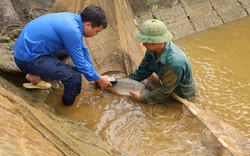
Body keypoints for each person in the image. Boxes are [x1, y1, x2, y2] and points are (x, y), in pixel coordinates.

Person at [13, 5, 112, 106]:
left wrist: (96, 76)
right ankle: (66, 105)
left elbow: (83, 50)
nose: (97, 34)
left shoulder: (74, 20)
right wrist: (99, 79)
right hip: (27, 59)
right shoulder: (72, 30)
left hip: (31, 49)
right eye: (97, 31)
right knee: (74, 77)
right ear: (87, 25)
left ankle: (34, 75)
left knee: (69, 50)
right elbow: (81, 65)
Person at [129, 19, 196, 104]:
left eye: (145, 42)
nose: (143, 45)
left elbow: (165, 90)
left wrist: (142, 98)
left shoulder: (175, 63)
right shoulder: (151, 50)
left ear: (156, 42)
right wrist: (128, 81)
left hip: (181, 95)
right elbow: (143, 70)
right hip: (168, 85)